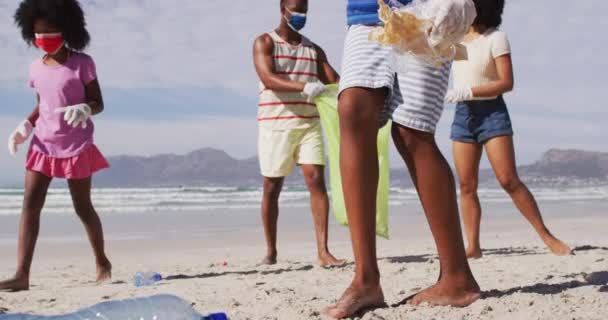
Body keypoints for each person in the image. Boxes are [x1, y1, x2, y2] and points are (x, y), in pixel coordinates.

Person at [323, 0, 481, 318]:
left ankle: (456, 277)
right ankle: (365, 279)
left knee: (412, 131)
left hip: (428, 7)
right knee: (352, 111)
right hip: (367, 13)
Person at [446, 0, 572, 259]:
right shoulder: (456, 38)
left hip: (492, 113)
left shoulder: (496, 38)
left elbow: (506, 82)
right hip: (463, 115)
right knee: (466, 185)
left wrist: (470, 90)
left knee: (508, 180)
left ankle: (547, 237)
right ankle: (473, 247)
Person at [1, 0, 112, 291]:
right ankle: (21, 274)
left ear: (66, 29)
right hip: (42, 146)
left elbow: (98, 101)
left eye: (49, 31)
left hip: (76, 145)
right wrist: (25, 126)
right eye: (37, 32)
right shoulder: (35, 69)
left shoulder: (82, 63)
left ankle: (102, 261)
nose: (43, 37)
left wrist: (86, 109)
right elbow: (43, 106)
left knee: (82, 207)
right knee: (30, 204)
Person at [252, 0, 343, 267]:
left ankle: (323, 251)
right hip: (275, 123)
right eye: (296, 10)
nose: (301, 15)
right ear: (283, 9)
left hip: (309, 123)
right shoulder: (264, 43)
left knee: (316, 180)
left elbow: (335, 81)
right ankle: (271, 251)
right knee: (272, 186)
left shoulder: (314, 50)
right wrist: (304, 86)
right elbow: (268, 78)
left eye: (305, 10)